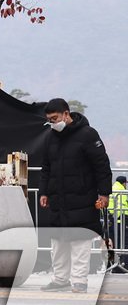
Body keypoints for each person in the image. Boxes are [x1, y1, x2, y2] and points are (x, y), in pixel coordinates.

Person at [39, 97, 111, 293]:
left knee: (80, 241)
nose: (52, 123)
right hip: (57, 200)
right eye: (49, 120)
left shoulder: (88, 135)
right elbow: (46, 168)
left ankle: (79, 281)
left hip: (83, 198)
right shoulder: (50, 137)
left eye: (55, 118)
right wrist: (44, 191)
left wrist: (104, 193)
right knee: (58, 242)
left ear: (66, 114)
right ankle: (60, 279)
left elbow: (102, 165)